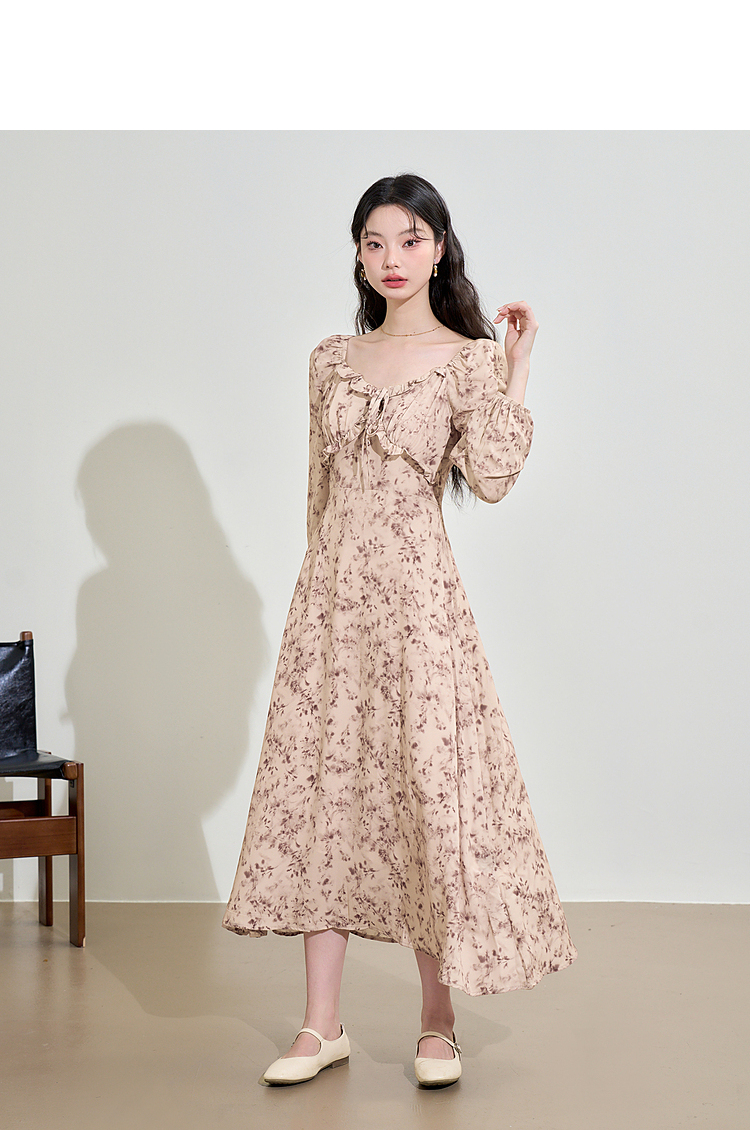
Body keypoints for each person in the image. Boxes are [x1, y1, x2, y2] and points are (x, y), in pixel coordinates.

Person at [222, 173, 577, 1088]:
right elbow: (319, 492)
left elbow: (490, 477)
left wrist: (516, 366)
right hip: (331, 605)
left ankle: (437, 1023)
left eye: (410, 240)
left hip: (419, 607)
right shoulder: (329, 360)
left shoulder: (468, 361)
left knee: (425, 793)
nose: (392, 259)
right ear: (357, 254)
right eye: (375, 242)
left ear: (440, 249)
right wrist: (316, 596)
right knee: (325, 797)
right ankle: (320, 1026)